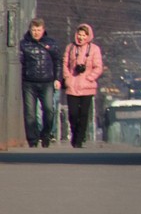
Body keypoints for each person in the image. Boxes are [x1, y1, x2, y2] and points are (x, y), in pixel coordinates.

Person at [19, 18, 62, 148]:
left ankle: (46, 135)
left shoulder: (51, 44)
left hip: (47, 82)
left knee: (49, 110)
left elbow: (57, 62)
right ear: (30, 30)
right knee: (30, 113)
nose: (36, 32)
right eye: (34, 30)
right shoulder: (23, 44)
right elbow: (20, 62)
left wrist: (57, 79)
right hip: (29, 83)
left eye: (38, 30)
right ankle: (32, 140)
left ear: (43, 30)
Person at [62, 23, 103, 148]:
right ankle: (75, 133)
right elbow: (65, 64)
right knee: (73, 114)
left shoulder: (94, 49)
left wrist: (89, 78)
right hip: (72, 86)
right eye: (79, 35)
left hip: (87, 87)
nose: (81, 37)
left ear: (88, 36)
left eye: (84, 35)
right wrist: (68, 78)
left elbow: (98, 67)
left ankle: (79, 139)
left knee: (83, 114)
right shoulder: (70, 48)